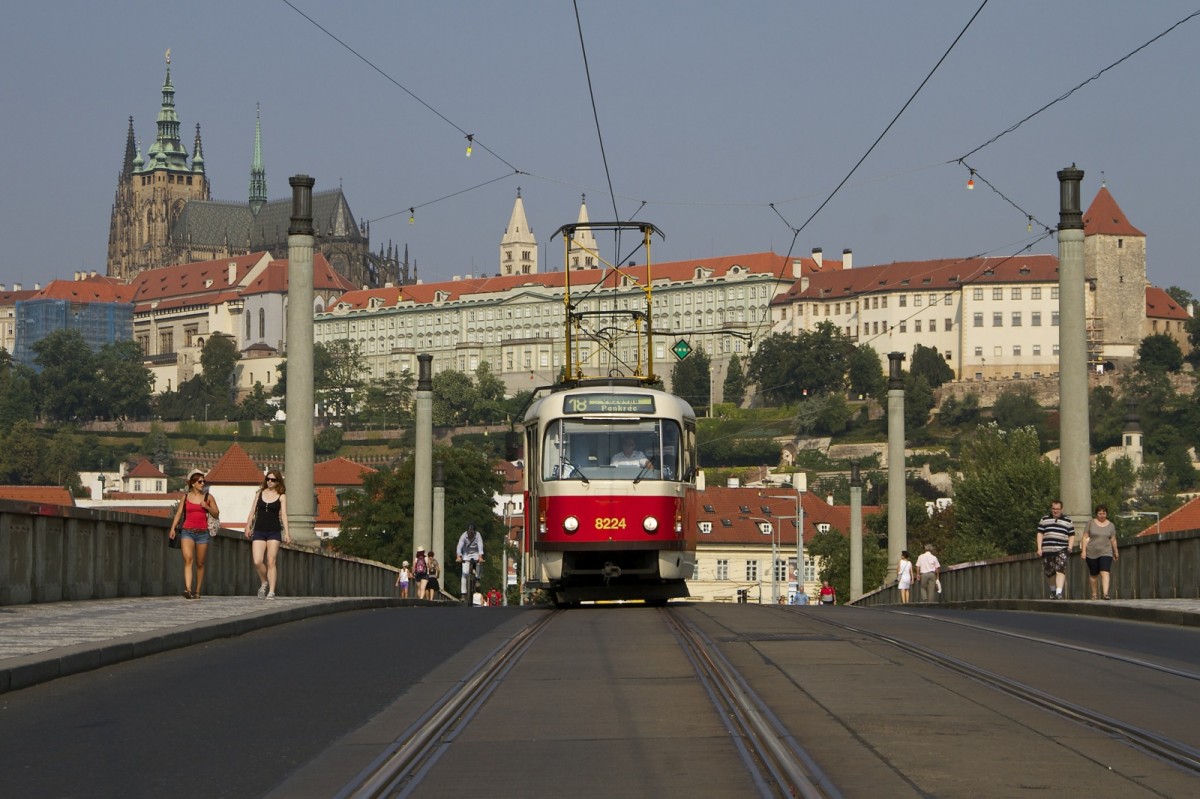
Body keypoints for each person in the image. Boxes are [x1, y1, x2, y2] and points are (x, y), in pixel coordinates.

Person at [169, 469, 219, 600]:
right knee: (188, 559)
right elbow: (179, 513)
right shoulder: (185, 497)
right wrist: (173, 528)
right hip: (187, 531)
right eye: (200, 482)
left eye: (203, 481)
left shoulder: (208, 497)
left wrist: (207, 507)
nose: (203, 484)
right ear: (193, 483)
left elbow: (216, 513)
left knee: (200, 563)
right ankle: (188, 589)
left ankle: (197, 591)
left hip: (203, 533)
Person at [244, 470, 291, 599]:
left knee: (271, 561)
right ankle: (264, 581)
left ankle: (271, 591)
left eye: (273, 480)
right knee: (257, 561)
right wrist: (248, 526)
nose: (270, 481)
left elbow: (284, 515)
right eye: (268, 479)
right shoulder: (259, 493)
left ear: (278, 482)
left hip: (274, 531)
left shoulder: (281, 496)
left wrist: (287, 533)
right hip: (259, 530)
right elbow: (253, 511)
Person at [1036, 499, 1075, 599]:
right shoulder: (1044, 519)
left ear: (1062, 509)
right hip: (1047, 549)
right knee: (1050, 573)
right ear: (1051, 509)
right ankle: (1053, 591)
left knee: (1060, 570)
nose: (1055, 511)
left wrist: (1070, 547)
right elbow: (1040, 534)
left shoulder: (1068, 521)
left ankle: (1059, 592)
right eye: (1053, 509)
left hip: (1062, 549)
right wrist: (1039, 548)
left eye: (1057, 509)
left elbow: (1071, 535)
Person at [1081, 504, 1119, 600]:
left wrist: (1115, 551)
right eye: (1100, 514)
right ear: (1096, 514)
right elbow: (1085, 537)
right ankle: (1094, 594)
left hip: (1106, 551)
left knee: (1104, 571)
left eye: (1104, 513)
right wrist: (1083, 551)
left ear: (1106, 514)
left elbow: (1113, 539)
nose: (1102, 515)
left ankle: (1105, 593)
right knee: (1094, 574)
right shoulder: (1090, 523)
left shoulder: (1111, 525)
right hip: (1091, 552)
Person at [456, 523, 485, 595]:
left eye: (472, 532)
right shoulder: (463, 536)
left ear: (474, 532)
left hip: (476, 553)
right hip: (466, 553)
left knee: (479, 564)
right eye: (469, 532)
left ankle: (478, 578)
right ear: (467, 531)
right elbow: (459, 546)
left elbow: (480, 546)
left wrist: (480, 557)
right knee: (464, 573)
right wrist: (458, 557)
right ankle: (463, 593)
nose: (470, 534)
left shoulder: (478, 535)